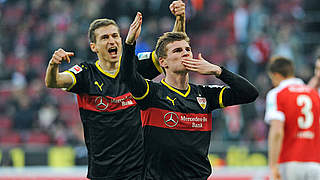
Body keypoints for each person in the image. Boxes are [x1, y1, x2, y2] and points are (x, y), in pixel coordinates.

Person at [44, 1, 186, 179]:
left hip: (139, 170)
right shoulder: (86, 73)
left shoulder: (134, 65)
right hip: (103, 172)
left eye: (115, 36)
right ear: (93, 46)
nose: (111, 41)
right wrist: (53, 65)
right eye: (104, 38)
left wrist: (180, 18)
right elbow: (54, 81)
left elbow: (172, 52)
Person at [120, 12, 258, 179]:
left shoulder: (205, 95)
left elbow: (250, 94)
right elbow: (127, 76)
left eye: (187, 49)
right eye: (178, 50)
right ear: (163, 61)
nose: (185, 53)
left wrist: (218, 71)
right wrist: (129, 43)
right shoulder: (151, 93)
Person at [265, 56, 320, 180]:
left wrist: (273, 166)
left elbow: (277, 131)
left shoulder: (277, 94)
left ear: (276, 75)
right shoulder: (314, 94)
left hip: (289, 162)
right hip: (315, 163)